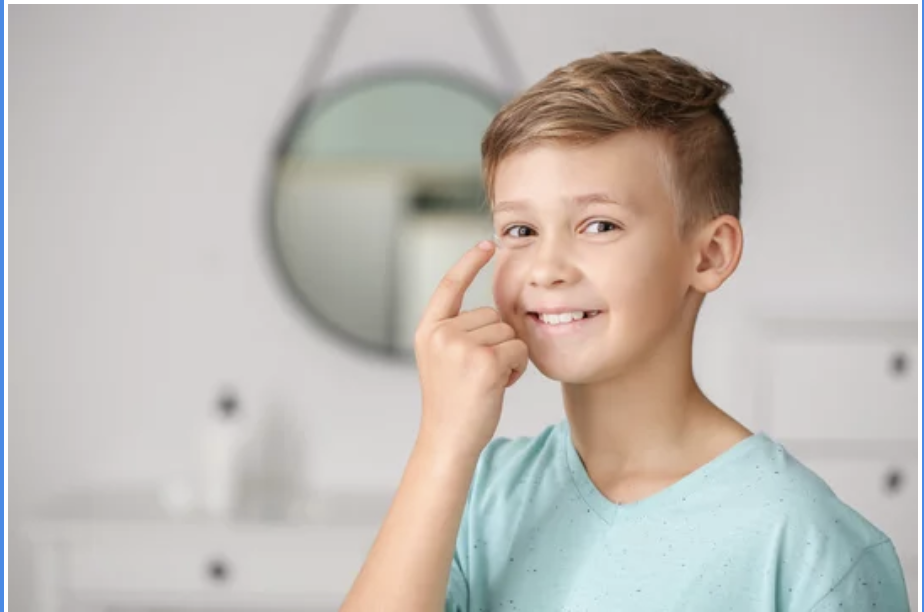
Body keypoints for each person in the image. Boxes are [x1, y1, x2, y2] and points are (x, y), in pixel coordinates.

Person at [339, 49, 910, 612]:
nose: (546, 268)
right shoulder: (479, 489)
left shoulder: (810, 547)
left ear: (710, 255)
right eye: (520, 229)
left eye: (600, 224)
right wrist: (442, 440)